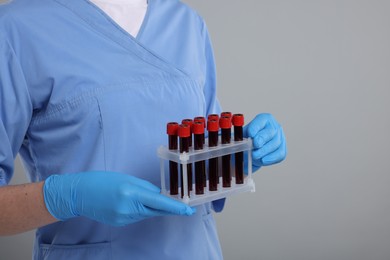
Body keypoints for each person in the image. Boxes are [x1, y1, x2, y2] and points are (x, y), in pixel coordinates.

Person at [0, 0, 287, 259]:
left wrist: (239, 157)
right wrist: (66, 197)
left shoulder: (186, 23)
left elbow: (202, 160)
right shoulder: (16, 28)